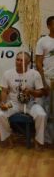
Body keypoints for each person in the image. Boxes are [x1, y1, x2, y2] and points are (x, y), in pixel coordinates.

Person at [0, 52, 46, 149]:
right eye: (17, 59)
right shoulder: (8, 73)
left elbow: (40, 93)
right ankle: (8, 137)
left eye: (22, 60)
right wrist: (2, 103)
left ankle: (38, 140)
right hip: (13, 103)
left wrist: (31, 91)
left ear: (27, 62)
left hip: (31, 104)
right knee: (0, 114)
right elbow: (4, 91)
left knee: (41, 115)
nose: (18, 62)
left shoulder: (34, 74)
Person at [36, 16, 54, 144]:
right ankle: (47, 139)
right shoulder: (43, 41)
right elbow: (38, 63)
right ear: (48, 26)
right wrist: (43, 82)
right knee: (48, 110)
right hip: (49, 80)